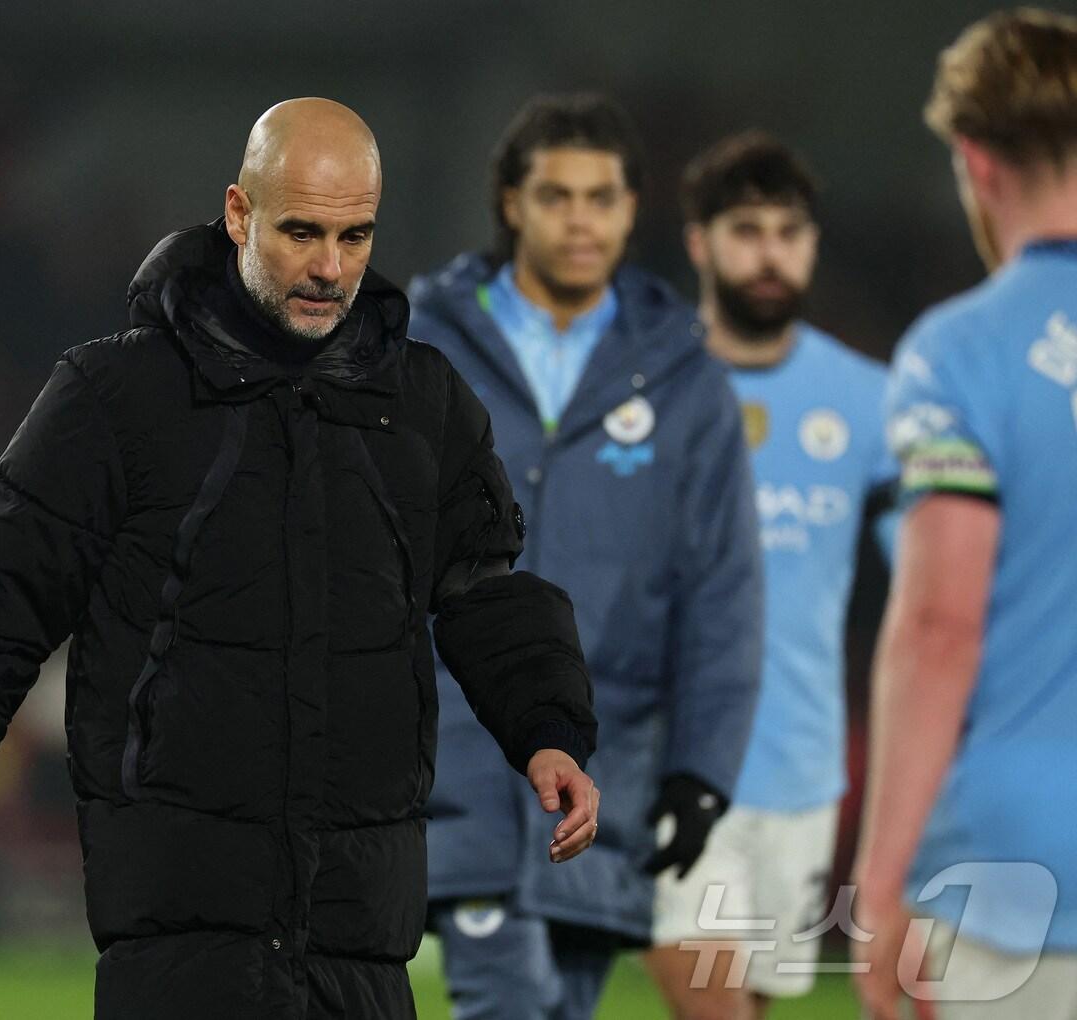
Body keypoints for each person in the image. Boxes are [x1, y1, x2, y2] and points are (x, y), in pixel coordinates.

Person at [0, 97, 602, 1020]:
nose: (330, 268)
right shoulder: (115, 398)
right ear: (237, 213)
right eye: (302, 232)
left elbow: (483, 588)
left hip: (361, 938)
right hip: (180, 939)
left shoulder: (423, 406)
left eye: (355, 235)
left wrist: (547, 727)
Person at [408, 93, 763, 1020]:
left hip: (613, 765)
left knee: (560, 1006)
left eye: (600, 198)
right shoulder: (420, 346)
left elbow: (723, 592)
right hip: (465, 753)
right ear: (512, 204)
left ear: (631, 209)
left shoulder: (687, 379)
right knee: (507, 1000)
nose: (580, 220)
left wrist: (704, 770)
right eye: (557, 196)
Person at [851, 9, 1077, 1020]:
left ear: (974, 163)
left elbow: (940, 625)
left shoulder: (957, 355)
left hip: (1012, 879)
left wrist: (884, 880)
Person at [646, 132, 895, 1019]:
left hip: (805, 769)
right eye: (746, 229)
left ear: (814, 245)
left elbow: (929, 572)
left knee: (750, 1004)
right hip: (671, 761)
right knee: (711, 1004)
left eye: (789, 231)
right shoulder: (645, 387)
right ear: (699, 241)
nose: (769, 252)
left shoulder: (871, 401)